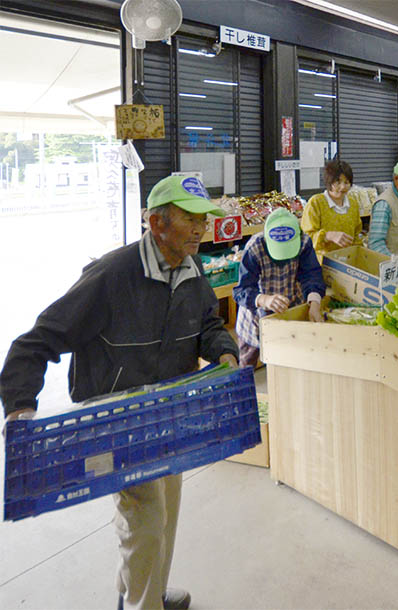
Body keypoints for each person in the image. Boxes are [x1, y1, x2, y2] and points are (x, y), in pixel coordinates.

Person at [0, 175, 239, 610]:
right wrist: (19, 408)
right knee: (145, 520)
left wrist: (224, 353)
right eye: (190, 217)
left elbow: (206, 322)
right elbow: (34, 343)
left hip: (168, 413)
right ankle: (141, 604)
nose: (202, 227)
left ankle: (145, 588)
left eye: (204, 217)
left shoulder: (192, 267)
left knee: (165, 509)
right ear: (157, 222)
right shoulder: (110, 276)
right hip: (116, 421)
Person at [233, 207, 326, 367]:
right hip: (254, 316)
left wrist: (314, 302)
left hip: (289, 310)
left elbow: (311, 274)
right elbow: (242, 290)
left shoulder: (304, 242)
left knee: (287, 363)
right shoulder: (255, 247)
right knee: (246, 367)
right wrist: (264, 299)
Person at [300, 159, 362, 263]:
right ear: (329, 182)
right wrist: (327, 236)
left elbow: (356, 236)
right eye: (338, 182)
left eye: (346, 182)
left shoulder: (353, 204)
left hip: (346, 263)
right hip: (320, 264)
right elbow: (305, 238)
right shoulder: (316, 203)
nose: (342, 187)